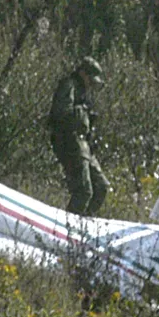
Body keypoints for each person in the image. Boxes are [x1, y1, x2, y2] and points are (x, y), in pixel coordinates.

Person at [49, 56, 110, 216]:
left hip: (84, 145)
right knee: (83, 191)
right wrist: (81, 114)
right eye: (90, 79)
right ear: (83, 74)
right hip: (70, 142)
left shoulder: (83, 92)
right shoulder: (69, 86)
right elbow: (61, 113)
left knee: (101, 187)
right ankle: (68, 226)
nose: (91, 85)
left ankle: (83, 223)